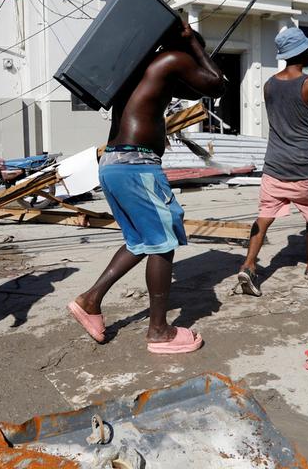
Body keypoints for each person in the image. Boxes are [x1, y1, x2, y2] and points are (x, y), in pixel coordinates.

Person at [67, 22, 226, 354]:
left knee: (140, 241)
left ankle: (90, 301)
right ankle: (159, 332)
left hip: (113, 164)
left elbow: (197, 90)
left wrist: (194, 57)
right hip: (136, 165)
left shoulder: (143, 67)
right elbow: (216, 85)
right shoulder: (173, 58)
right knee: (162, 245)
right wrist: (194, 47)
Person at [235, 27, 308, 297]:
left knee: (264, 217)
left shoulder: (269, 84)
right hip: (302, 164)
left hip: (274, 164)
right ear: (301, 52)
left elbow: (284, 118)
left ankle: (248, 264)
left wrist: (303, 128)